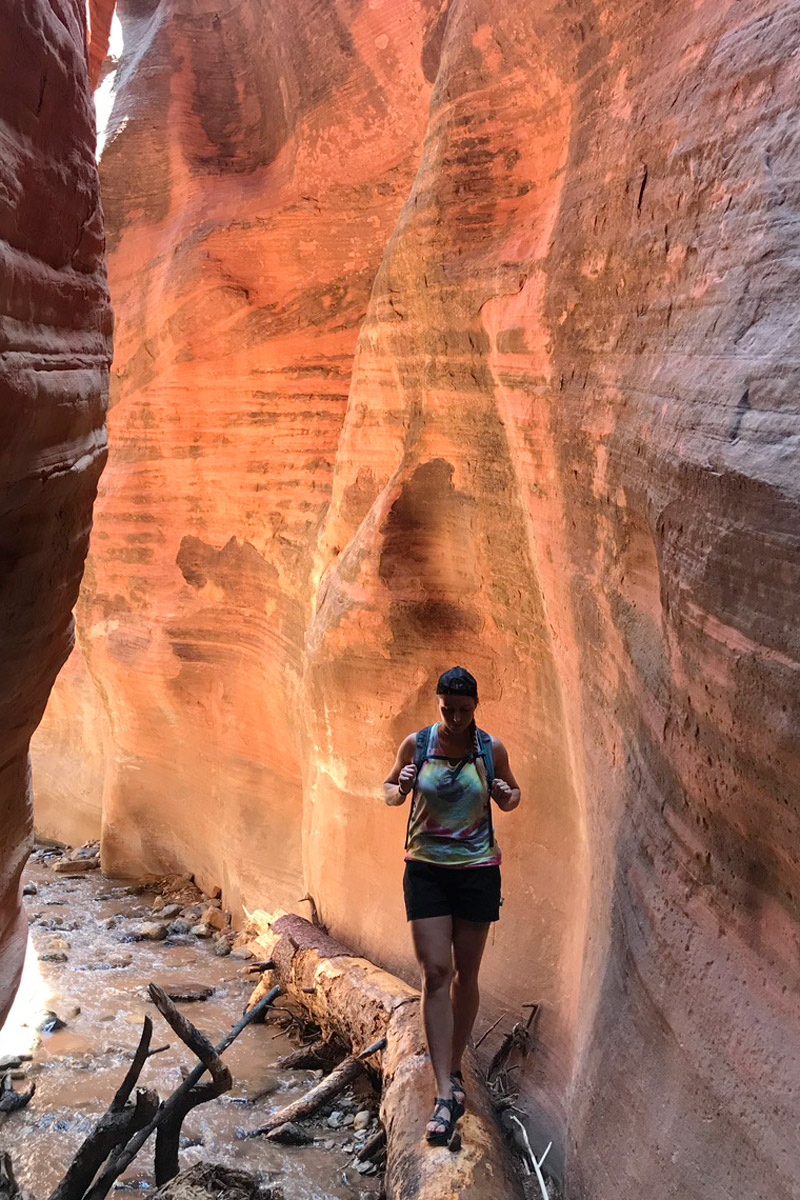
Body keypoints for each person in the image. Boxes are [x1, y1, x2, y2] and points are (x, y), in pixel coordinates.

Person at [383, 666, 521, 1145]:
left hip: (478, 872)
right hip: (426, 870)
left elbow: (510, 796)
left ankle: (455, 1066)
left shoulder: (490, 749)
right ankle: (444, 1091)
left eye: (464, 710)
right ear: (437, 703)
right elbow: (387, 793)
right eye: (448, 709)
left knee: (466, 974)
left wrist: (507, 793)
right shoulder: (417, 744)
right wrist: (398, 784)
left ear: (475, 707)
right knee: (436, 972)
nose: (456, 717)